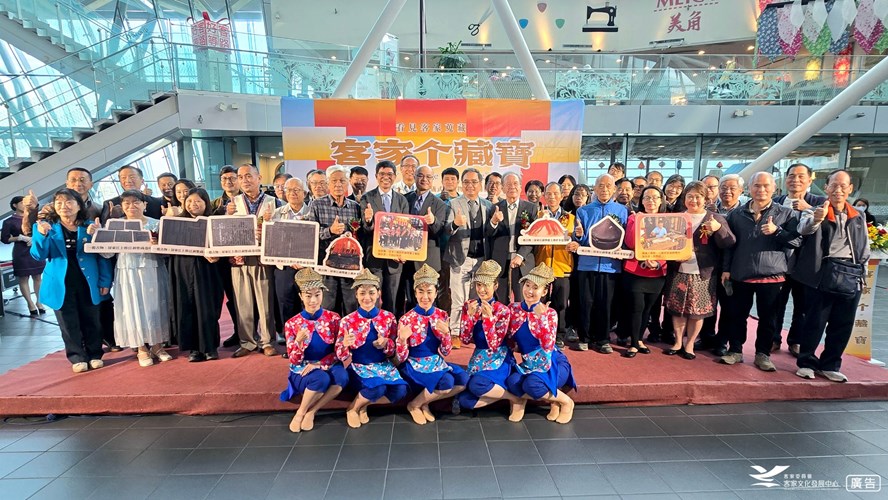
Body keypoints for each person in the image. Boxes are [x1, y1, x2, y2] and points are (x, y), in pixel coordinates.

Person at [794, 170, 870, 383]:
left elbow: (864, 247)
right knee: (815, 321)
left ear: (850, 189)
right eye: (833, 185)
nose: (838, 190)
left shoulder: (858, 215)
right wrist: (817, 219)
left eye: (843, 186)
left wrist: (861, 271)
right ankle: (806, 362)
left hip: (850, 273)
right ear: (825, 188)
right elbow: (804, 229)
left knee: (843, 323)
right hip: (822, 274)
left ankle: (831, 364)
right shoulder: (816, 211)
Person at [720, 173, 800, 370]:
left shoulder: (786, 213)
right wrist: (726, 269)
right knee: (737, 315)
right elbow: (730, 244)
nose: (761, 190)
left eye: (765, 186)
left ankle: (762, 354)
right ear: (749, 188)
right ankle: (735, 350)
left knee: (768, 318)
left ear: (774, 188)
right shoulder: (736, 214)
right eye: (756, 185)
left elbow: (796, 241)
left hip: (772, 275)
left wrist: (777, 232)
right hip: (741, 273)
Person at [31, 189, 112, 373]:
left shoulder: (91, 226)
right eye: (59, 203)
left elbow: (103, 257)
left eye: (69, 202)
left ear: (78, 205)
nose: (64, 206)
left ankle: (95, 354)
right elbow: (38, 255)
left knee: (92, 320)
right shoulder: (46, 227)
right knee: (68, 323)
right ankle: (77, 357)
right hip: (60, 284)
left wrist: (105, 282)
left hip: (87, 282)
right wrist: (41, 236)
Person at [95, 190, 172, 366]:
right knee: (132, 308)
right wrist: (99, 235)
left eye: (136, 202)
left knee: (155, 307)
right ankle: (141, 348)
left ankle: (157, 345)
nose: (131, 206)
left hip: (153, 270)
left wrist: (157, 246)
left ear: (144, 205)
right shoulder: (115, 225)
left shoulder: (157, 224)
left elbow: (167, 252)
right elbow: (106, 254)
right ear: (121, 207)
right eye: (127, 203)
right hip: (127, 272)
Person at [663, 181, 735, 359]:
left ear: (705, 198)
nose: (693, 200)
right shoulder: (676, 217)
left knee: (697, 311)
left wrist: (718, 230)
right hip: (679, 271)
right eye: (690, 196)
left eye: (697, 196)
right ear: (684, 198)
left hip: (703, 274)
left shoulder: (715, 218)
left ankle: (690, 345)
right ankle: (678, 341)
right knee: (677, 309)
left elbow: (729, 243)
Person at [336, 269, 408, 428]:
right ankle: (353, 408)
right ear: (356, 294)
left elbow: (392, 350)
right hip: (359, 367)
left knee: (401, 390)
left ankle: (364, 404)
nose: (367, 298)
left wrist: (386, 343)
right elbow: (340, 355)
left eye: (371, 293)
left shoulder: (388, 317)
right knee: (378, 387)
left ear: (378, 294)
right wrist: (345, 345)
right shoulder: (347, 320)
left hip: (383, 366)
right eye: (362, 293)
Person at [505, 263, 576, 424]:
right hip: (529, 364)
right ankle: (522, 401)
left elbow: (548, 345)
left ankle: (564, 402)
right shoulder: (514, 309)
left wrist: (541, 319)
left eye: (535, 287)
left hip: (552, 363)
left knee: (532, 385)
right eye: (527, 285)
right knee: (511, 382)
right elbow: (509, 338)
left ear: (544, 292)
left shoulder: (549, 313)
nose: (529, 291)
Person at [396, 265, 467, 424]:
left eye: (429, 292)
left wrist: (447, 335)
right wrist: (401, 340)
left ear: (436, 293)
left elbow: (445, 351)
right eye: (421, 292)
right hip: (413, 364)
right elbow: (401, 357)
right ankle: (414, 405)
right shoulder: (406, 319)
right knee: (447, 383)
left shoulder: (442, 315)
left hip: (436, 362)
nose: (425, 297)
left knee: (463, 379)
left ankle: (421, 403)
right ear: (415, 293)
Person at [280, 268, 349, 432]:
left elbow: (340, 354)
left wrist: (344, 344)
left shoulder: (333, 318)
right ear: (300, 297)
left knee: (342, 376)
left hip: (328, 363)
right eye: (308, 295)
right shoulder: (292, 323)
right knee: (321, 379)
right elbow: (294, 360)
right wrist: (297, 343)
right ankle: (300, 412)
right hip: (303, 368)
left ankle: (312, 411)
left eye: (317, 295)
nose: (313, 300)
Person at [226, 164, 281, 358]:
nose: (245, 180)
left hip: (263, 258)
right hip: (239, 259)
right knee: (243, 302)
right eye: (241, 177)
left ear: (259, 177)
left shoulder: (274, 202)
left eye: (249, 176)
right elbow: (222, 231)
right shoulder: (232, 203)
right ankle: (247, 341)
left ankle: (267, 341)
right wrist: (227, 216)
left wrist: (268, 225)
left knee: (265, 302)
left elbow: (282, 231)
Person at [772, 163, 827, 356]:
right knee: (775, 304)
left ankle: (796, 340)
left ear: (811, 179)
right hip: (778, 262)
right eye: (792, 176)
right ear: (786, 179)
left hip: (806, 263)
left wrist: (809, 208)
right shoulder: (776, 201)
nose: (796, 180)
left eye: (801, 176)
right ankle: (773, 338)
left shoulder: (820, 201)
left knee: (803, 306)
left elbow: (827, 226)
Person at [457, 260, 521, 417]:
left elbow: (495, 344)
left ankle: (515, 399)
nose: (482, 289)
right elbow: (464, 339)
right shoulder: (470, 305)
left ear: (496, 286)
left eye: (486, 285)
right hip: (479, 357)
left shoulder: (503, 310)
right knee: (464, 399)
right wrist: (470, 318)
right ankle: (506, 395)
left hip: (499, 356)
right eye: (479, 285)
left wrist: (488, 318)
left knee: (477, 385)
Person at [572, 174, 627, 353]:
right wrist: (578, 235)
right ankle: (584, 338)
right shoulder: (583, 210)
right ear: (594, 189)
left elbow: (625, 237)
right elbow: (578, 238)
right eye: (600, 185)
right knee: (585, 302)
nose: (604, 189)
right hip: (587, 263)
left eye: (608, 186)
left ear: (614, 190)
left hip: (611, 266)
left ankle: (603, 339)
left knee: (606, 303)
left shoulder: (621, 211)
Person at [168, 188, 223, 362]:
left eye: (198, 201)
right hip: (183, 268)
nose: (193, 204)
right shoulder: (177, 222)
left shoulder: (214, 222)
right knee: (187, 305)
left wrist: (217, 255)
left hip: (207, 269)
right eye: (189, 201)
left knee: (207, 307)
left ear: (206, 203)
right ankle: (193, 349)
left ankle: (210, 347)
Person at [444, 168, 495, 342]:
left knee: (476, 298)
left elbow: (490, 231)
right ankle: (456, 332)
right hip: (460, 258)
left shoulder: (488, 206)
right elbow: (445, 230)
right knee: (459, 299)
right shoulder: (452, 204)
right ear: (461, 184)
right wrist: (455, 224)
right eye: (466, 182)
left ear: (480, 184)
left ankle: (471, 330)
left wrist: (495, 222)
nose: (470, 186)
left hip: (481, 259)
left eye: (474, 182)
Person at [698, 174, 745, 355]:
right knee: (707, 304)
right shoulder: (708, 211)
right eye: (723, 188)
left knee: (728, 307)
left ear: (741, 190)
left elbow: (733, 243)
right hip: (709, 266)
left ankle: (722, 341)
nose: (727, 191)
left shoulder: (743, 212)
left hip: (732, 268)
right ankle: (707, 336)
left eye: (731, 188)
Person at [305, 166, 363, 314]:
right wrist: (330, 231)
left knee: (351, 304)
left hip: (349, 264)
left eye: (342, 181)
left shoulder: (355, 207)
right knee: (328, 305)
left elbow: (359, 231)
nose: (338, 185)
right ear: (328, 184)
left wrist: (351, 234)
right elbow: (310, 234)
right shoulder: (317, 204)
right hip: (327, 265)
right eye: (334, 181)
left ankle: (350, 335)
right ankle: (329, 336)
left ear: (347, 184)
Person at [620, 186, 667, 358]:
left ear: (661, 200)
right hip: (636, 270)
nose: (651, 201)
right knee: (636, 308)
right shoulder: (634, 217)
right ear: (642, 200)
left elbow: (670, 246)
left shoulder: (668, 220)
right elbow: (630, 242)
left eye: (655, 197)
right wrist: (637, 223)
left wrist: (657, 262)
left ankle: (640, 339)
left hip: (657, 272)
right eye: (647, 197)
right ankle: (633, 343)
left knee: (648, 308)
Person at [360, 160, 409, 311]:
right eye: (382, 174)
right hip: (374, 258)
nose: (385, 177)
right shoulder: (367, 198)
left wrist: (401, 251)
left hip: (395, 261)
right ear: (376, 176)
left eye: (389, 174)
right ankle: (372, 329)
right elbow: (366, 229)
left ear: (395, 177)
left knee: (392, 299)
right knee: (372, 298)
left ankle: (391, 331)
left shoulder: (402, 200)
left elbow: (406, 230)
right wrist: (368, 220)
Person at [534, 182, 577, 347]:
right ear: (544, 196)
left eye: (555, 194)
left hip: (562, 266)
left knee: (560, 303)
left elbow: (577, 239)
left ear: (561, 196)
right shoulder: (538, 216)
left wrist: (576, 241)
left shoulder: (571, 218)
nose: (552, 197)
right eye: (548, 194)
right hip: (541, 266)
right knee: (540, 300)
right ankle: (539, 332)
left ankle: (559, 334)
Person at [402, 166, 448, 312]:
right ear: (415, 177)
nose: (424, 179)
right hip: (406, 257)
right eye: (420, 176)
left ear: (433, 180)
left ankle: (430, 329)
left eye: (428, 177)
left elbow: (440, 231)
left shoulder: (439, 203)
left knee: (429, 298)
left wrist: (433, 221)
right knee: (409, 297)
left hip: (428, 259)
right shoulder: (404, 199)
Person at [489, 172, 537, 303]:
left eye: (515, 183)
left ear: (521, 187)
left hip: (523, 261)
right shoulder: (494, 208)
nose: (512, 187)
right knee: (500, 300)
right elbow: (488, 234)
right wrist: (493, 222)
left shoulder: (531, 208)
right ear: (503, 188)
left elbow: (533, 237)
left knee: (523, 300)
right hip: (500, 261)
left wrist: (520, 255)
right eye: (508, 184)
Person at [272, 177, 310, 327]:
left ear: (305, 193)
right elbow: (272, 241)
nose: (293, 193)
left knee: (307, 301)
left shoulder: (312, 211)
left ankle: (308, 336)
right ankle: (289, 337)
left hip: (307, 267)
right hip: (284, 267)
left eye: (297, 190)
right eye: (289, 190)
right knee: (285, 300)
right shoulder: (276, 214)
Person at [210, 165, 241, 348]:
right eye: (224, 179)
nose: (228, 182)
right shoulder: (215, 203)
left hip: (244, 257)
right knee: (230, 296)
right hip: (222, 260)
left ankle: (251, 333)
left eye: (232, 178)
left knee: (244, 298)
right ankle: (238, 332)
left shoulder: (246, 201)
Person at [2, 196, 46, 315]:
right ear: (15, 205)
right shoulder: (9, 221)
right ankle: (30, 303)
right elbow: (4, 239)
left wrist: (36, 238)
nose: (24, 204)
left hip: (35, 249)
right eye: (22, 202)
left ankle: (39, 302)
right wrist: (19, 237)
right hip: (21, 251)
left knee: (38, 277)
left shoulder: (35, 217)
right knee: (24, 278)